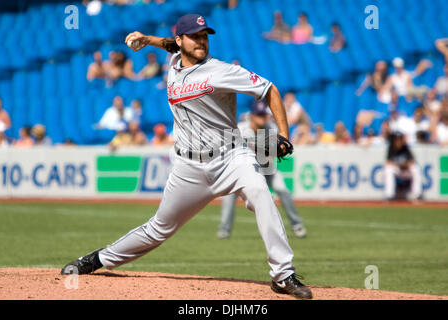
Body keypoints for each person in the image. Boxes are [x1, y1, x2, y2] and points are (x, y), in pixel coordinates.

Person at [61, 13, 312, 300]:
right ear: (181, 41)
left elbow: (269, 90)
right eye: (194, 36)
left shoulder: (222, 71)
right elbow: (171, 46)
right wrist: (148, 39)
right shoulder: (173, 62)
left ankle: (283, 275)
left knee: (260, 192)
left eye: (204, 35)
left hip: (231, 157)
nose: (201, 41)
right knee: (158, 229)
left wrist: (283, 134)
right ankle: (97, 260)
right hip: (188, 166)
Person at [217, 100, 307, 240]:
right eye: (259, 115)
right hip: (242, 170)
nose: (262, 118)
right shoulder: (239, 129)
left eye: (264, 115)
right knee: (229, 196)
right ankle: (224, 229)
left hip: (266, 169)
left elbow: (270, 157)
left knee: (282, 189)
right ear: (252, 116)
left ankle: (297, 225)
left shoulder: (271, 129)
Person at [384, 132, 422, 201]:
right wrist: (400, 164)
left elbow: (411, 162)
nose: (398, 141)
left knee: (416, 169)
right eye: (396, 139)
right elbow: (388, 162)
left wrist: (402, 165)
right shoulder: (391, 148)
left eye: (400, 139)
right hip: (398, 170)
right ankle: (389, 195)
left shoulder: (405, 147)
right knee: (388, 169)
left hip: (406, 171)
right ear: (394, 140)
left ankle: (417, 194)